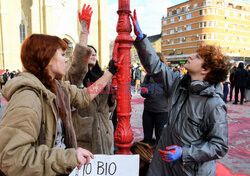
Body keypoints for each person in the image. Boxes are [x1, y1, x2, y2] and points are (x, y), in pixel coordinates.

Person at [0, 33, 117, 176]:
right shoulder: (27, 98)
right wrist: (68, 158)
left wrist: (110, 73)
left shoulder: (57, 87)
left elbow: (83, 96)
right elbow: (12, 159)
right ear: (48, 58)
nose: (66, 59)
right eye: (62, 55)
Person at [130, 10, 230, 176]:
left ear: (206, 70)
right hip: (163, 163)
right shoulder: (179, 84)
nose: (191, 57)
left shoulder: (214, 104)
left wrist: (185, 152)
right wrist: (141, 38)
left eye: (197, 57)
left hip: (190, 170)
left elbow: (219, 146)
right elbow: (156, 67)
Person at [64, 4, 116, 155]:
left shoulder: (103, 77)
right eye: (89, 53)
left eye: (95, 53)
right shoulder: (75, 77)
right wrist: (84, 33)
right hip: (85, 134)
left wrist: (113, 99)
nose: (93, 55)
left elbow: (109, 108)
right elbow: (77, 67)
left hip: (104, 133)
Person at [140, 52, 168, 146]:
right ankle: (147, 157)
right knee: (147, 138)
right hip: (148, 110)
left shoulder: (167, 74)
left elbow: (170, 91)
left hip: (162, 111)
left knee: (160, 138)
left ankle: (159, 158)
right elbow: (143, 93)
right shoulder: (149, 75)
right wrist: (145, 91)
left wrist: (150, 90)